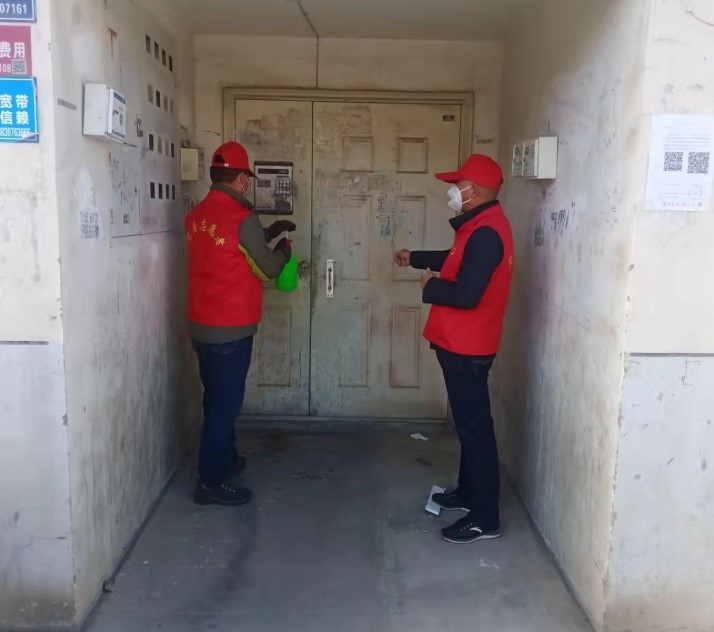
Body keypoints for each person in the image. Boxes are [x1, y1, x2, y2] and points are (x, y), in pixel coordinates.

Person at [394, 154, 514, 543]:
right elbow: (454, 261)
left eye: (456, 185)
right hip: (461, 343)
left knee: (476, 431)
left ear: (472, 191)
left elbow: (467, 293)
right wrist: (415, 259)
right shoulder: (479, 226)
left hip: (468, 347)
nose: (452, 191)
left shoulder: (486, 233)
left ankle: (484, 518)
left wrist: (430, 286)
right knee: (468, 426)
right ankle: (467, 493)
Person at [185, 141, 295, 506]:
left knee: (214, 398)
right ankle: (210, 482)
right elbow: (266, 267)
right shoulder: (242, 216)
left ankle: (227, 459)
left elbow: (230, 251)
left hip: (201, 325)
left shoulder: (196, 215)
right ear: (242, 179)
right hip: (231, 329)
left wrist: (267, 232)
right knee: (225, 406)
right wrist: (283, 251)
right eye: (247, 177)